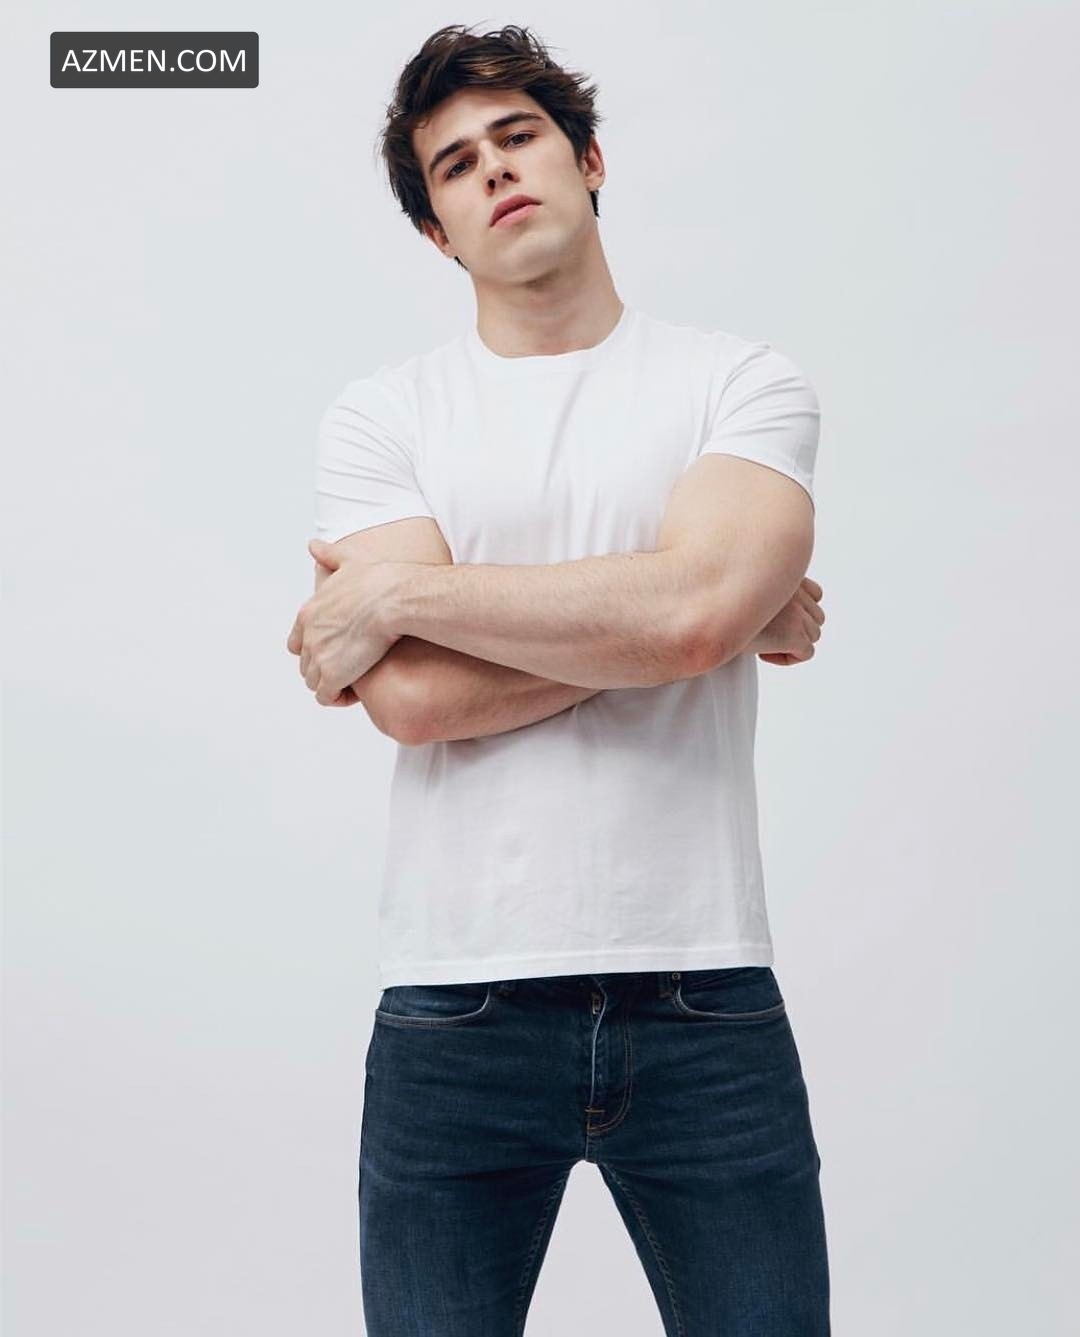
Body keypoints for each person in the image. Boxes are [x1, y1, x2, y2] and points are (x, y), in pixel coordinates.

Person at [287, 23, 831, 1336]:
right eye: (455, 164)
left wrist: (402, 596)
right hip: (456, 1001)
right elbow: (414, 702)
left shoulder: (738, 382)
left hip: (702, 986)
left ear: (587, 159)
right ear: (438, 233)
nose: (495, 169)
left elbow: (692, 617)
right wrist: (686, 617)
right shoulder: (384, 416)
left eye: (519, 135)